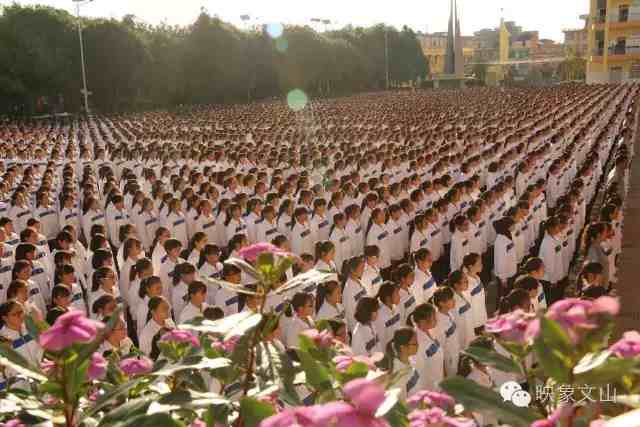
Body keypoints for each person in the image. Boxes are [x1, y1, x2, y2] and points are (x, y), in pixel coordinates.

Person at [408, 303, 443, 391]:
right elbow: (420, 371)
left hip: (438, 379)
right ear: (423, 322)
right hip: (430, 387)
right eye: (433, 318)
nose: (436, 320)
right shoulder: (416, 343)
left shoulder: (431, 331)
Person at [384, 327, 420, 400]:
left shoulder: (411, 360)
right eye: (414, 343)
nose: (418, 345)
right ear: (403, 347)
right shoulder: (398, 374)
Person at [462, 253, 487, 334]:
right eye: (479, 264)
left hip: (481, 318)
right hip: (474, 323)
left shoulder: (477, 277)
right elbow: (466, 305)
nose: (481, 265)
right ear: (470, 266)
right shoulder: (466, 282)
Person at [373, 281, 401, 349]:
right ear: (388, 298)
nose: (399, 296)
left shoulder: (396, 308)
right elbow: (380, 341)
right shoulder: (378, 316)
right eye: (396, 293)